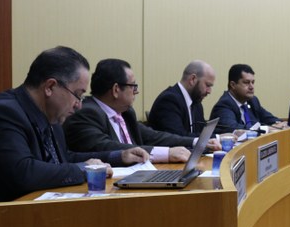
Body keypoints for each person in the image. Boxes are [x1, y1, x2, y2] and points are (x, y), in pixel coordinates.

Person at [0, 47, 147, 202]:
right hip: (5, 217)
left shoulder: (51, 113)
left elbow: (64, 159)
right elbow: (24, 172)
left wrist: (119, 156)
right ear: (50, 87)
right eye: (77, 95)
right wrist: (83, 169)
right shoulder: (3, 113)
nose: (79, 105)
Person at [63, 59, 198, 163]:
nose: (136, 92)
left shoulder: (125, 112)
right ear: (116, 90)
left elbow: (153, 136)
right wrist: (166, 154)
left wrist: (195, 142)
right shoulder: (86, 113)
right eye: (133, 86)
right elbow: (108, 147)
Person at [210, 64, 287, 132]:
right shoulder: (224, 105)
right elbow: (236, 129)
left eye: (253, 82)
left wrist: (281, 124)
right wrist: (267, 129)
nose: (251, 87)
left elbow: (269, 119)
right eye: (246, 83)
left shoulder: (252, 101)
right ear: (233, 85)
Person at [148, 60, 216, 136]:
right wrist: (217, 137)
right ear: (192, 79)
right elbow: (178, 137)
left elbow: (202, 135)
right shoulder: (169, 100)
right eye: (207, 85)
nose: (209, 91)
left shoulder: (196, 104)